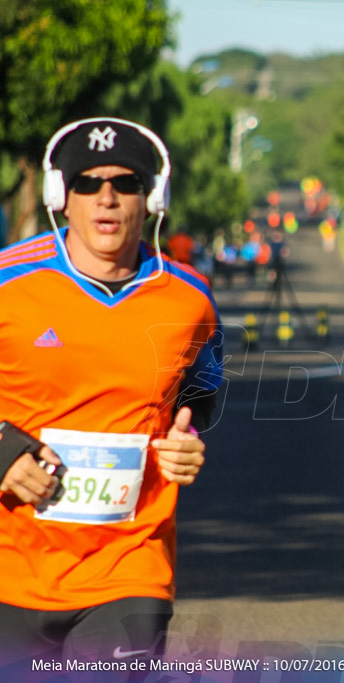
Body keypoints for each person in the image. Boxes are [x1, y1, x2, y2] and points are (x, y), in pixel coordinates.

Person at [0, 117, 222, 669]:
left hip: (131, 561)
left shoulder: (189, 298)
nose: (107, 198)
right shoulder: (9, 283)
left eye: (125, 183)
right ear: (62, 197)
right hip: (12, 566)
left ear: (150, 199)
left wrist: (189, 436)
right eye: (87, 183)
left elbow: (203, 391)